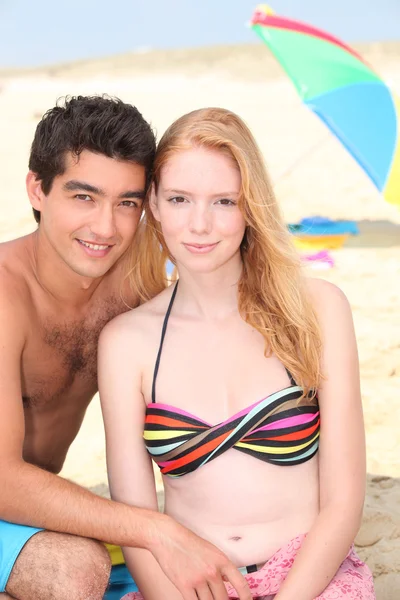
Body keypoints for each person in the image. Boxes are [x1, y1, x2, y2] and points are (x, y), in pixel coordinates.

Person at [99, 107, 376, 599]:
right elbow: (137, 526)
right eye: (180, 199)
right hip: (187, 586)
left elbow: (344, 502)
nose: (200, 224)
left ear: (250, 207)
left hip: (310, 580)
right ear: (154, 206)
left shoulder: (317, 309)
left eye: (224, 201)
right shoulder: (127, 342)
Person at [0, 96, 251, 600]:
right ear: (37, 189)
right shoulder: (6, 297)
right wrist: (154, 529)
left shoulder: (133, 290)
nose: (106, 227)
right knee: (76, 569)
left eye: (127, 203)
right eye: (83, 197)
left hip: (21, 516)